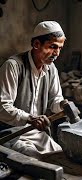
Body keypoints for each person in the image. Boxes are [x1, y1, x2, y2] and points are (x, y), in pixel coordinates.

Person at [0, 21, 68, 158]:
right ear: (36, 44)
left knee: (60, 156)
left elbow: (55, 100)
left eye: (60, 48)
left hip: (38, 133)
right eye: (52, 47)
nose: (57, 53)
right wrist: (30, 118)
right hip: (12, 134)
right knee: (37, 161)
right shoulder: (13, 66)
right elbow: (2, 107)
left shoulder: (51, 69)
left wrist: (62, 105)